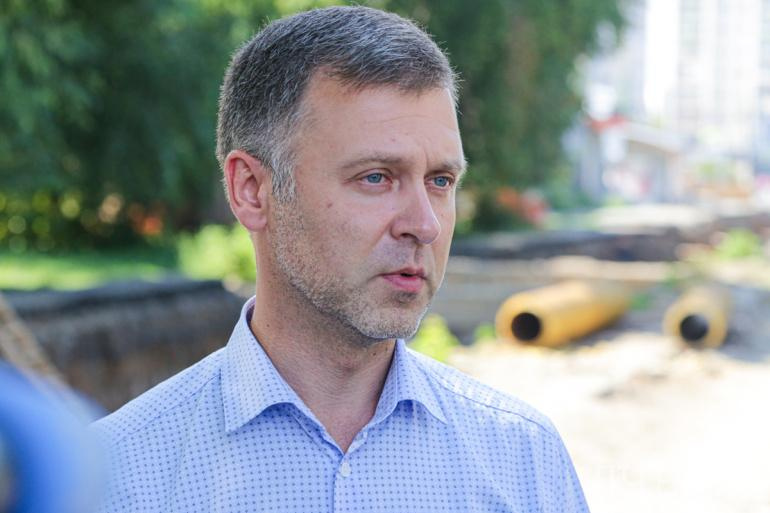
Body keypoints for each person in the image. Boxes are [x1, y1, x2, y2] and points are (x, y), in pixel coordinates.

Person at [92, 6, 589, 512]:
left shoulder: (524, 460)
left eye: (440, 181)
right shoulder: (111, 480)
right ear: (252, 190)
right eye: (376, 177)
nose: (425, 225)